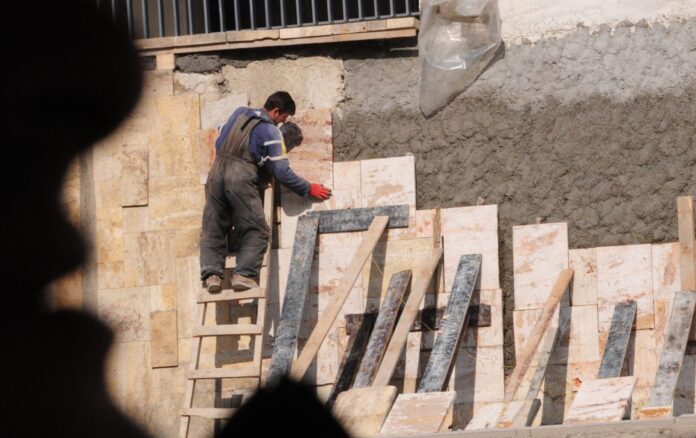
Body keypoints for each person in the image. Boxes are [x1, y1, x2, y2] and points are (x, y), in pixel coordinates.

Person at [200, 92, 332, 293]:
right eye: (283, 117)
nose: (282, 122)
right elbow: (281, 172)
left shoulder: (239, 113)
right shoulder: (271, 131)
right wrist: (307, 188)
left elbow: (221, 132)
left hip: (215, 173)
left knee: (213, 228)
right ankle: (244, 275)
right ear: (276, 111)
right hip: (240, 177)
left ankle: (212, 276)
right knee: (257, 230)